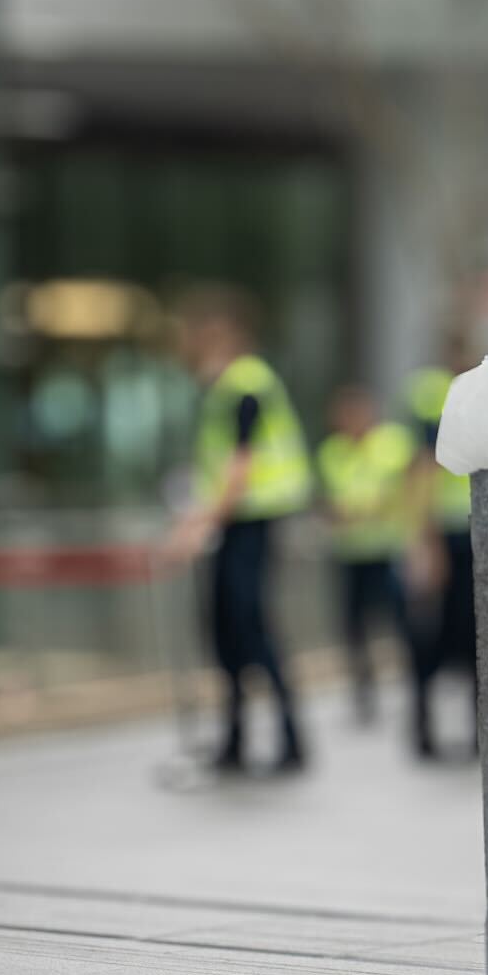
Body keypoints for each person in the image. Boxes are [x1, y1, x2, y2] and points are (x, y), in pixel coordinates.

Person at [164, 289, 311, 775]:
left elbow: (239, 469)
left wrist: (195, 528)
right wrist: (193, 521)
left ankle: (290, 738)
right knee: (225, 629)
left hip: (251, 521)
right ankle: (236, 740)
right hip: (233, 524)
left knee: (250, 628)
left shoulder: (246, 384)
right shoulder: (224, 389)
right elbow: (215, 472)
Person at [315, 384, 418, 729]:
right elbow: (328, 499)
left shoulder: (392, 443)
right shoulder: (332, 451)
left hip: (387, 549)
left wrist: (364, 510)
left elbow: (404, 489)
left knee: (401, 622)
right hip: (350, 552)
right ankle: (363, 690)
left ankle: (415, 685)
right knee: (353, 626)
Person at [405, 357, 476, 761]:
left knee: (471, 637)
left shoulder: (478, 392)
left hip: (470, 531)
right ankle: (424, 728)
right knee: (432, 637)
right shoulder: (435, 397)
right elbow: (422, 469)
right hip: (445, 535)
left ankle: (476, 731)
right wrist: (424, 541)